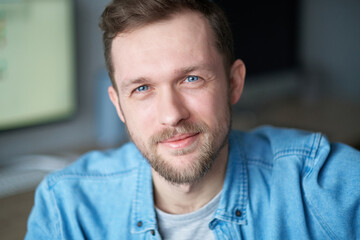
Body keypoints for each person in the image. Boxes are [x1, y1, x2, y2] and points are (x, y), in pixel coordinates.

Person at [26, 0, 360, 239]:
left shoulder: (319, 185)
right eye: (142, 88)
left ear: (234, 83)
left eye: (191, 79)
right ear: (118, 105)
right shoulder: (66, 210)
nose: (172, 114)